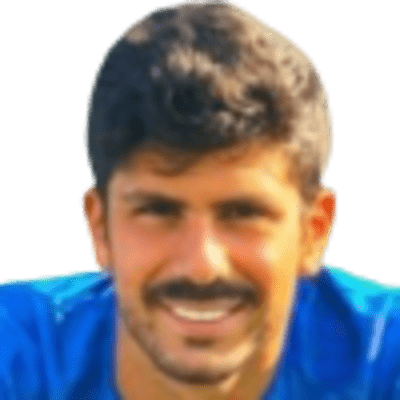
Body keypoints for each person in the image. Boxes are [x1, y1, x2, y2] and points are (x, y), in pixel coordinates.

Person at [1, 0, 399, 398]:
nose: (202, 266)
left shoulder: (386, 355)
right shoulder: (17, 352)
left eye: (243, 212)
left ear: (313, 231)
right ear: (100, 228)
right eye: (159, 210)